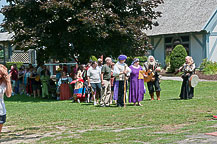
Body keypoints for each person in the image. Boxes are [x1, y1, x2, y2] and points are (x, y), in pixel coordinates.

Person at [0, 64, 12, 133]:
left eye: (1, 73)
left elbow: (8, 94)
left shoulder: (4, 83)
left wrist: (8, 81)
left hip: (1, 110)